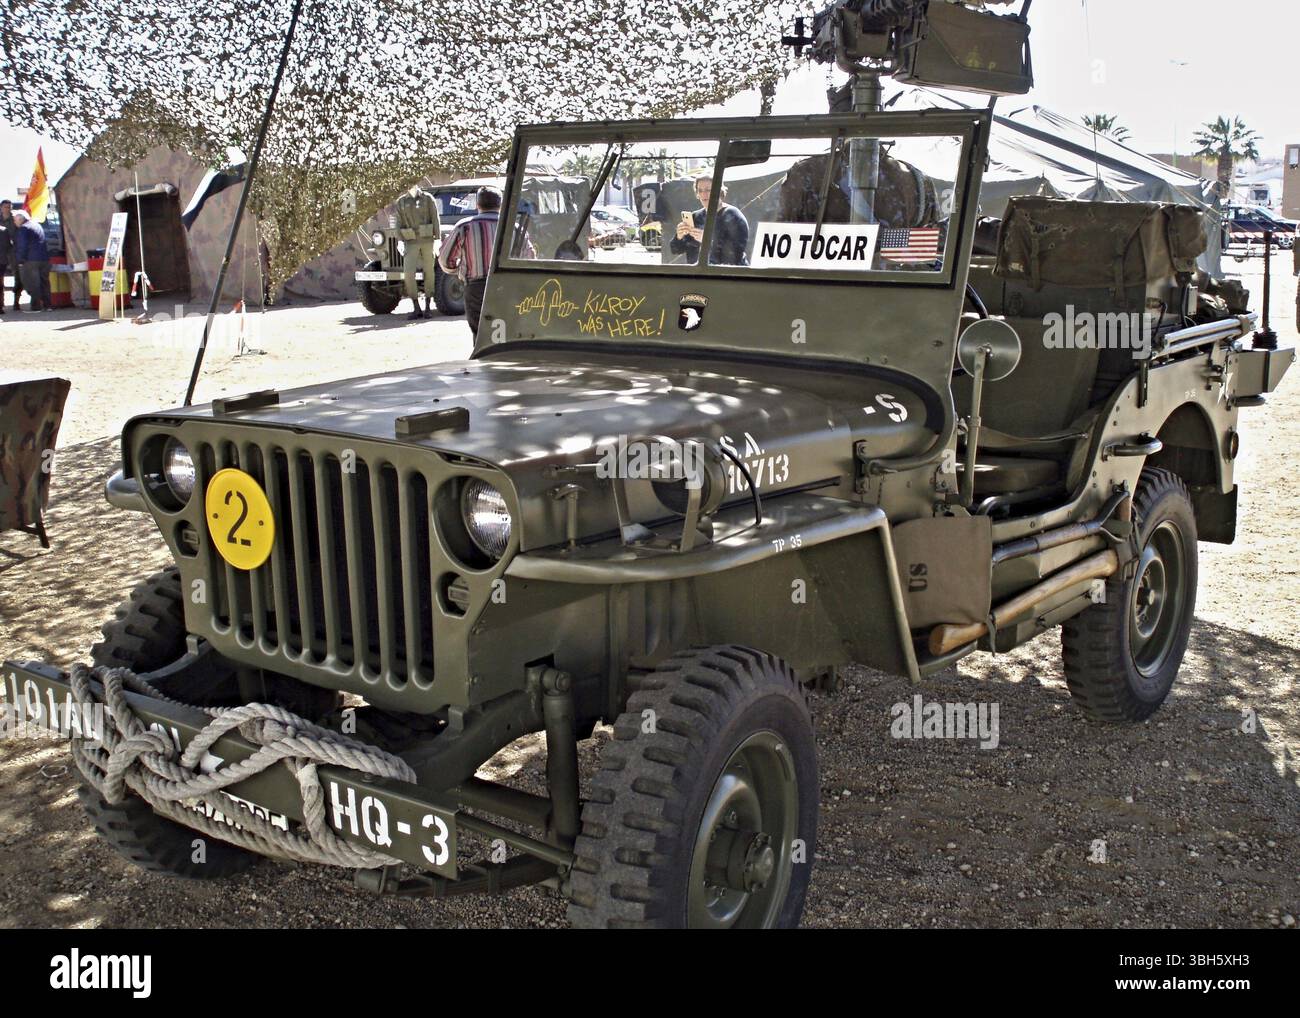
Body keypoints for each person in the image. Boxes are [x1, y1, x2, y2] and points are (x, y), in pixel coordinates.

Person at [438, 186, 500, 339]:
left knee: (480, 335)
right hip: (507, 288)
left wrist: (458, 270)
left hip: (476, 287)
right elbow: (529, 254)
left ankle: (482, 360)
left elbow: (445, 259)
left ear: (477, 205)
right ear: (500, 204)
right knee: (506, 333)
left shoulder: (464, 226)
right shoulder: (514, 227)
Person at [669, 172, 750, 266]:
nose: (704, 194)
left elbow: (735, 254)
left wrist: (708, 241)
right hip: (699, 275)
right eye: (700, 190)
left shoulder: (733, 215)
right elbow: (675, 249)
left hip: (729, 276)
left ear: (719, 191)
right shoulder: (695, 217)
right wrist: (679, 236)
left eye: (708, 190)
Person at [396, 185, 441, 319]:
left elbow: (435, 218)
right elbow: (398, 222)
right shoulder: (402, 201)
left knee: (429, 273)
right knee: (408, 274)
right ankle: (416, 307)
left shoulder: (427, 199)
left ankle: (428, 306)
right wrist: (399, 240)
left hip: (428, 240)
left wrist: (438, 238)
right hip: (410, 241)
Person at [12, 209, 51, 312]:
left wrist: (20, 260)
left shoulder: (23, 229)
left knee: (33, 284)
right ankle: (48, 306)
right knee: (44, 283)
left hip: (30, 260)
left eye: (15, 220)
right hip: (44, 259)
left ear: (20, 219)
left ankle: (36, 307)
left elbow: (22, 246)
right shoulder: (37, 225)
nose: (14, 222)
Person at [0, 200, 19, 315]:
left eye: (9, 207)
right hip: (1, 252)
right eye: (5, 207)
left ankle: (16, 302)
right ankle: (1, 304)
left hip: (13, 251)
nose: (7, 209)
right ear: (1, 208)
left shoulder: (15, 219)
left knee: (18, 277)